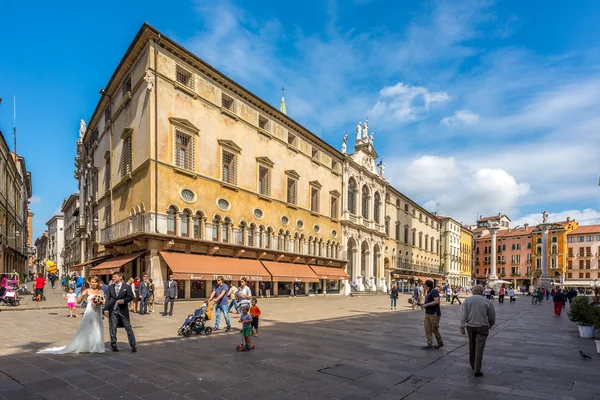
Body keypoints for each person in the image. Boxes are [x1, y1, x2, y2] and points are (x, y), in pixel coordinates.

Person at [38, 276, 106, 354]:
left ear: (98, 283)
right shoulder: (87, 291)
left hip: (98, 311)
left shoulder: (100, 291)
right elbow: (78, 301)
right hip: (90, 311)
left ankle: (96, 345)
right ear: (90, 282)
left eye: (95, 282)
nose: (93, 284)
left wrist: (102, 302)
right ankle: (88, 345)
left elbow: (103, 300)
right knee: (88, 327)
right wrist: (82, 295)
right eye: (92, 282)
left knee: (97, 326)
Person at [459, 285, 495, 377]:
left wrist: (462, 326)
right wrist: (491, 324)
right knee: (479, 348)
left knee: (472, 346)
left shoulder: (467, 301)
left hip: (470, 326)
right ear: (482, 292)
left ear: (473, 291)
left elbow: (463, 314)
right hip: (482, 326)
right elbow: (492, 316)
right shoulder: (487, 301)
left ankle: (472, 364)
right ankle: (477, 369)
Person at [104, 272, 137, 352]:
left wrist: (123, 301)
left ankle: (133, 344)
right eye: (113, 277)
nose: (113, 279)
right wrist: (106, 309)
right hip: (113, 310)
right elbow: (107, 299)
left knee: (128, 327)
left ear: (120, 277)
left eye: (115, 277)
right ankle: (114, 344)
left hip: (123, 310)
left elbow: (130, 297)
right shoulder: (110, 287)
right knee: (113, 328)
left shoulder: (127, 287)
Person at [421, 280, 443, 350]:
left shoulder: (433, 291)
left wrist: (427, 304)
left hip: (434, 313)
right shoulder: (429, 291)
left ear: (426, 285)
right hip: (428, 313)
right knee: (427, 328)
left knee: (434, 329)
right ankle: (429, 344)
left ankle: (440, 343)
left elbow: (436, 301)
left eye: (424, 285)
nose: (424, 286)